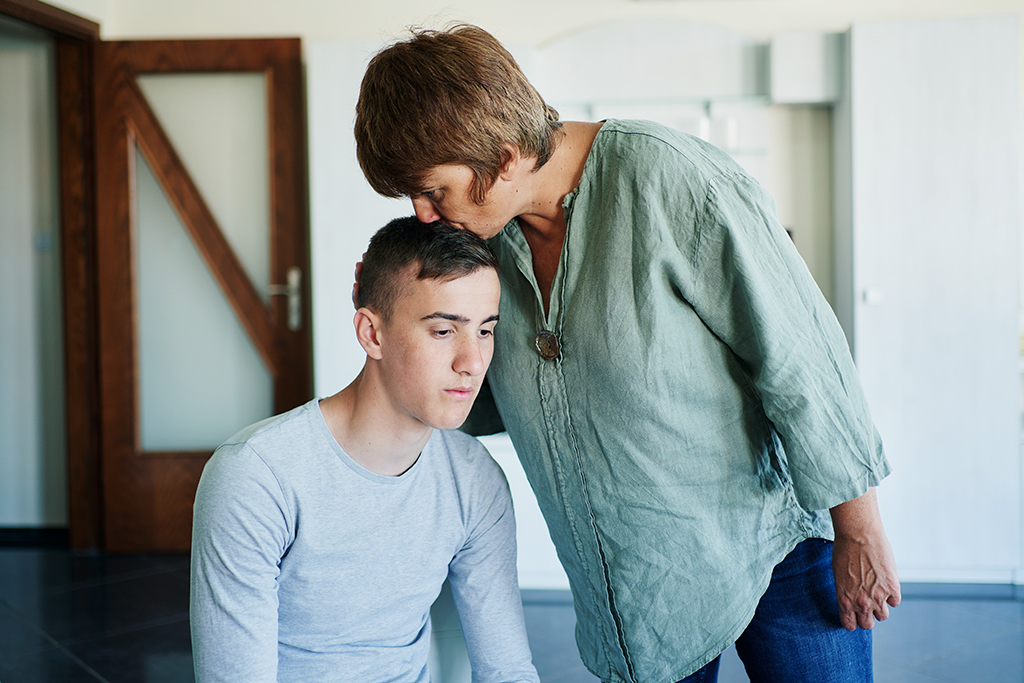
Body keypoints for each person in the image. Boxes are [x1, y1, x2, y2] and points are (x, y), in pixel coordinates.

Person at [353, 24, 901, 683]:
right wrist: (400, 316)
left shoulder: (670, 179)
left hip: (773, 555)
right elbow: (482, 398)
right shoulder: (486, 246)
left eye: (432, 189)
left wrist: (859, 528)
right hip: (642, 592)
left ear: (500, 159)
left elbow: (801, 354)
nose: (422, 213)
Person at [190, 217, 540, 683]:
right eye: (443, 330)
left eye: (484, 331)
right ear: (372, 334)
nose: (472, 363)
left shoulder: (474, 478)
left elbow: (508, 671)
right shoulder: (255, 476)